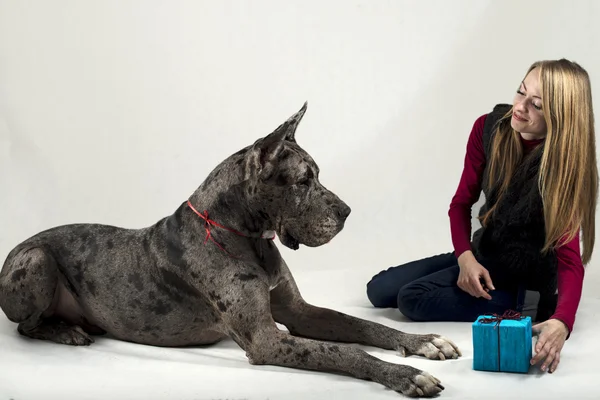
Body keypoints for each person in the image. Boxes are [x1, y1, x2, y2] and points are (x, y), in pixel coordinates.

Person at [366, 59, 597, 374]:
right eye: (521, 92)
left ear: (561, 117)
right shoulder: (488, 128)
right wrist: (465, 258)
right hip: (484, 252)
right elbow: (461, 203)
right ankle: (493, 281)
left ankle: (527, 305)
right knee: (378, 290)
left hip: (525, 275)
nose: (520, 106)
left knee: (411, 300)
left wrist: (561, 321)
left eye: (537, 104)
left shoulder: (564, 167)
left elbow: (569, 260)